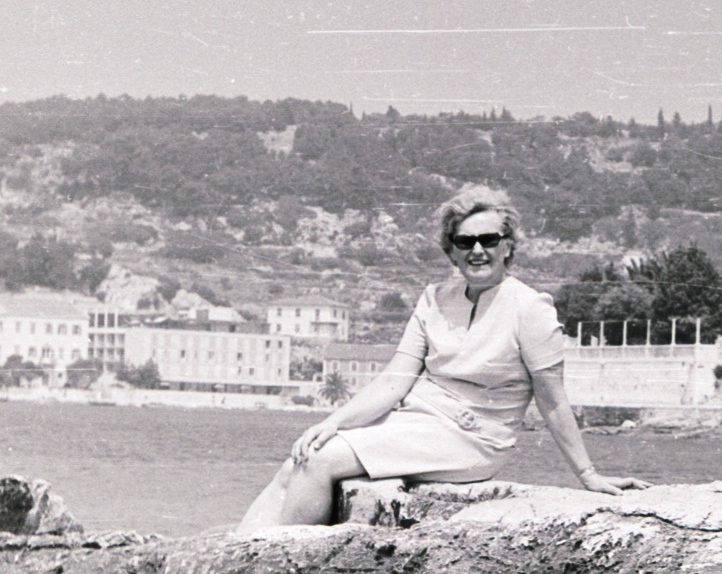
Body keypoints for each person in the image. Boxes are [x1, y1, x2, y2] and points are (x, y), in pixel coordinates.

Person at [237, 187, 650, 532]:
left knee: (321, 462)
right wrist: (331, 423)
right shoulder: (435, 299)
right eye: (464, 242)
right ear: (450, 252)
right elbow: (393, 382)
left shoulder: (531, 309)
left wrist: (587, 475)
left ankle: (279, 571)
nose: (477, 250)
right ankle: (236, 557)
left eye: (488, 240)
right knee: (302, 459)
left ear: (508, 247)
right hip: (417, 422)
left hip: (473, 439)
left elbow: (553, 400)